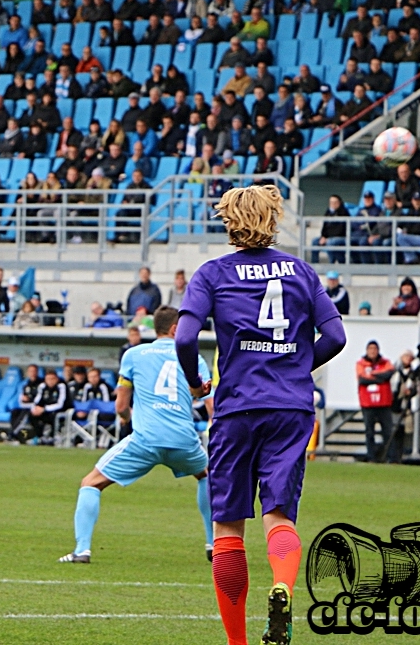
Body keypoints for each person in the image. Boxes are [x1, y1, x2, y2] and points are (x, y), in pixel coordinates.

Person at [175, 184, 346, 645]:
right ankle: (282, 588)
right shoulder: (301, 272)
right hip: (291, 409)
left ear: (229, 220)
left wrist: (195, 382)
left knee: (228, 525)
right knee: (280, 518)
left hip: (236, 408)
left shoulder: (212, 273)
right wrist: (293, 365)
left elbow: (185, 338)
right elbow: (336, 336)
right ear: (273, 218)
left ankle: (237, 642)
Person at [59, 306, 214, 564]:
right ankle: (213, 544)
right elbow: (207, 401)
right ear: (175, 329)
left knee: (90, 483)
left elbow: (121, 406)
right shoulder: (193, 357)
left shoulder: (133, 354)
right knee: (207, 475)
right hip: (184, 439)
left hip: (146, 439)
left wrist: (127, 420)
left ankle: (82, 550)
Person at [356, 340, 399, 463]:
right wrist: (379, 378)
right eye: (370, 349)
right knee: (369, 432)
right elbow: (362, 379)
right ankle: (371, 457)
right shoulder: (361, 363)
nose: (373, 351)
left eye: (375, 349)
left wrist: (372, 375)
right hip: (368, 404)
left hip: (384, 403)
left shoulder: (385, 362)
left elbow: (389, 373)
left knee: (388, 432)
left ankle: (392, 458)